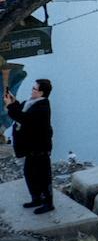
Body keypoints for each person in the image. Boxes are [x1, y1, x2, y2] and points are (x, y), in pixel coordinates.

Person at [4, 79, 54, 214]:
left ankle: (48, 203)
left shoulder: (42, 107)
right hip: (31, 149)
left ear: (41, 93)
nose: (32, 90)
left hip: (40, 149)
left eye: (34, 89)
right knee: (30, 174)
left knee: (43, 177)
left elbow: (24, 118)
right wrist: (14, 102)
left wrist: (9, 106)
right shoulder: (31, 102)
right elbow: (22, 111)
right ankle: (36, 199)